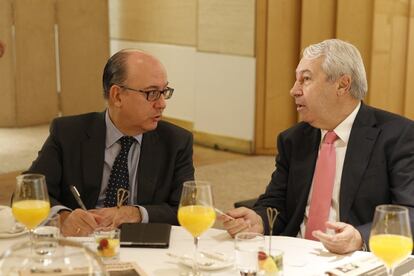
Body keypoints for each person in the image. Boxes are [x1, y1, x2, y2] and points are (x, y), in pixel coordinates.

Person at [220, 39, 414, 254]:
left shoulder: (398, 136)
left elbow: (410, 213)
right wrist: (259, 220)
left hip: (356, 261)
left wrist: (360, 237)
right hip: (296, 256)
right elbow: (277, 202)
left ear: (342, 84)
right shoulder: (293, 139)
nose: (294, 90)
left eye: (305, 79)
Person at [27, 49, 195, 236]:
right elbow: (28, 193)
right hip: (80, 244)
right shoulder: (69, 133)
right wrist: (63, 217)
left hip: (143, 243)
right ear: (117, 96)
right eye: (152, 93)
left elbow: (186, 209)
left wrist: (136, 213)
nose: (162, 103)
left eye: (164, 92)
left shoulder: (176, 141)